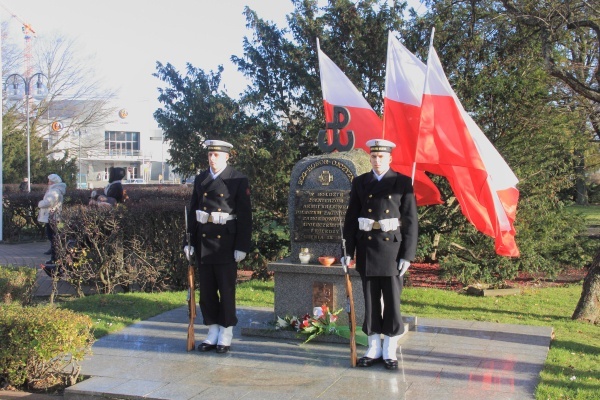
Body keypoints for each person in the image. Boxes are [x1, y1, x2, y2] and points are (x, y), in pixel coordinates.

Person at [342, 139, 418, 370]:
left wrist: (408, 255)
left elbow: (411, 222)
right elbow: (351, 217)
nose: (377, 160)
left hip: (391, 251)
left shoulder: (402, 182)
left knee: (392, 301)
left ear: (390, 158)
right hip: (367, 247)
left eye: (381, 157)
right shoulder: (360, 182)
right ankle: (373, 346)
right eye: (373, 157)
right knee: (370, 298)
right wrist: (348, 250)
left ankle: (390, 349)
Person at [184, 139, 252, 354]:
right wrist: (189, 243)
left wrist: (242, 246)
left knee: (226, 289)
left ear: (226, 157)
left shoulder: (238, 179)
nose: (212, 159)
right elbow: (193, 212)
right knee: (206, 292)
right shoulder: (201, 178)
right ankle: (212, 330)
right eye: (210, 155)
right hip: (204, 241)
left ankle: (226, 331)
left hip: (226, 241)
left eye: (216, 155)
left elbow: (245, 216)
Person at [37, 174, 67, 264]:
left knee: (53, 238)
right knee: (53, 237)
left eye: (49, 181)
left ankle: (55, 258)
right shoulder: (54, 190)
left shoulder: (55, 191)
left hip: (52, 217)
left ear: (53, 182)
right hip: (52, 216)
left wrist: (40, 204)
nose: (48, 182)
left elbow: (48, 202)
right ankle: (55, 256)